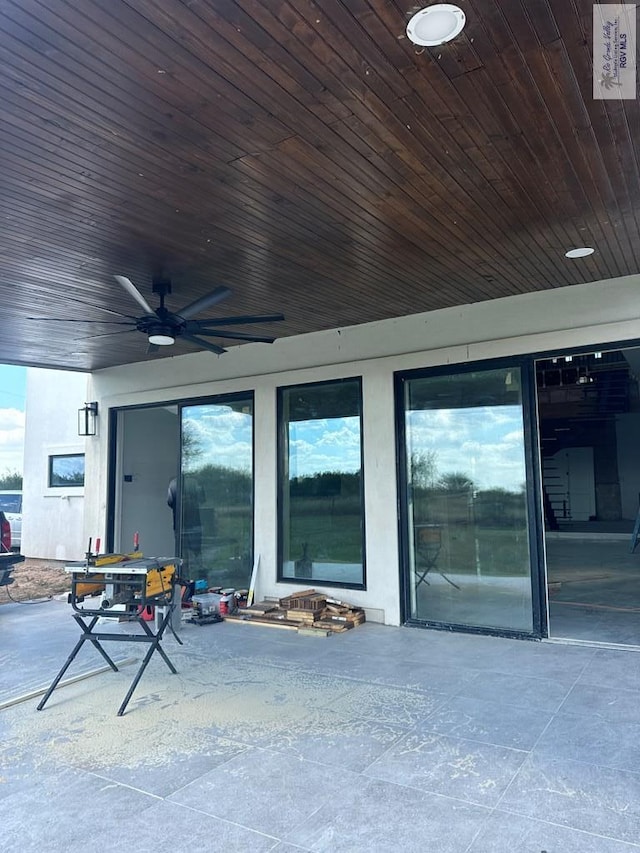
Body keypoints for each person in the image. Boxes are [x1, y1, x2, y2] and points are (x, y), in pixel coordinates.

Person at [167, 475, 204, 569]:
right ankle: (199, 571)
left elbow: (170, 502)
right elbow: (202, 500)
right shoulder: (195, 482)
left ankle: (183, 574)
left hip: (179, 524)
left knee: (182, 552)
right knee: (197, 551)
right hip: (195, 522)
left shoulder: (173, 483)